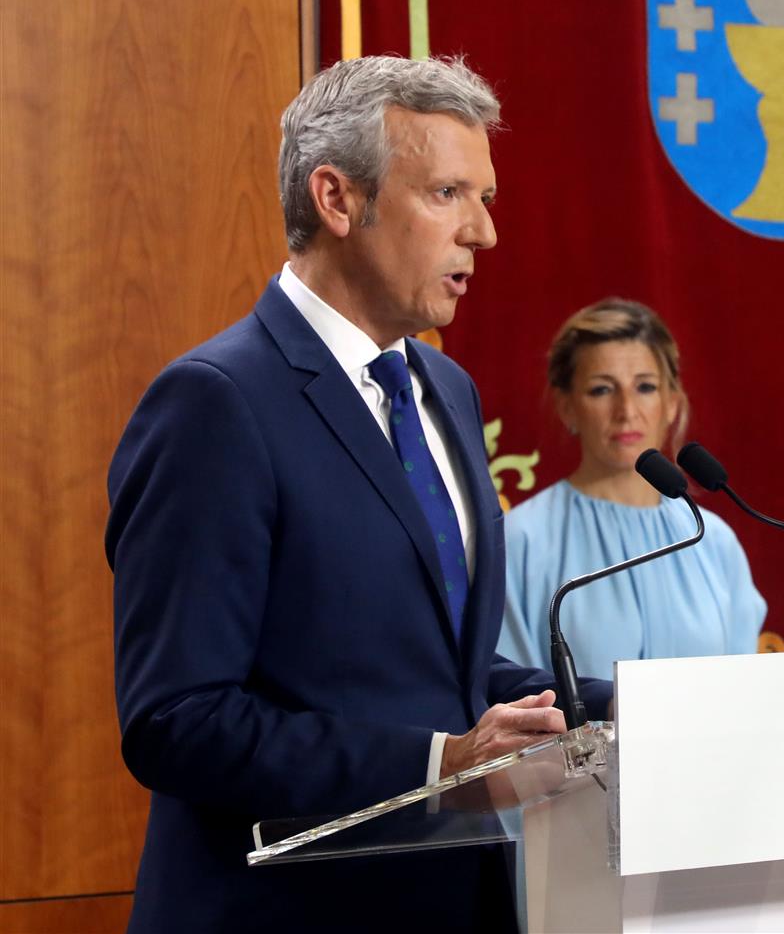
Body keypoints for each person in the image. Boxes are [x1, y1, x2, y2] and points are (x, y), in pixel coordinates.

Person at [107, 55, 612, 934]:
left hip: (454, 902)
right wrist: (438, 764)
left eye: (485, 198)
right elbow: (176, 719)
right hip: (280, 912)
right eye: (450, 194)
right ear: (337, 200)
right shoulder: (216, 404)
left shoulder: (444, 391)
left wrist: (611, 705)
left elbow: (426, 667)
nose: (484, 233)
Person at [499, 298, 765, 680]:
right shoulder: (522, 539)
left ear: (672, 402)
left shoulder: (715, 542)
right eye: (601, 390)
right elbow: (513, 696)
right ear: (567, 407)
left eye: (644, 387)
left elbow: (745, 690)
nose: (626, 410)